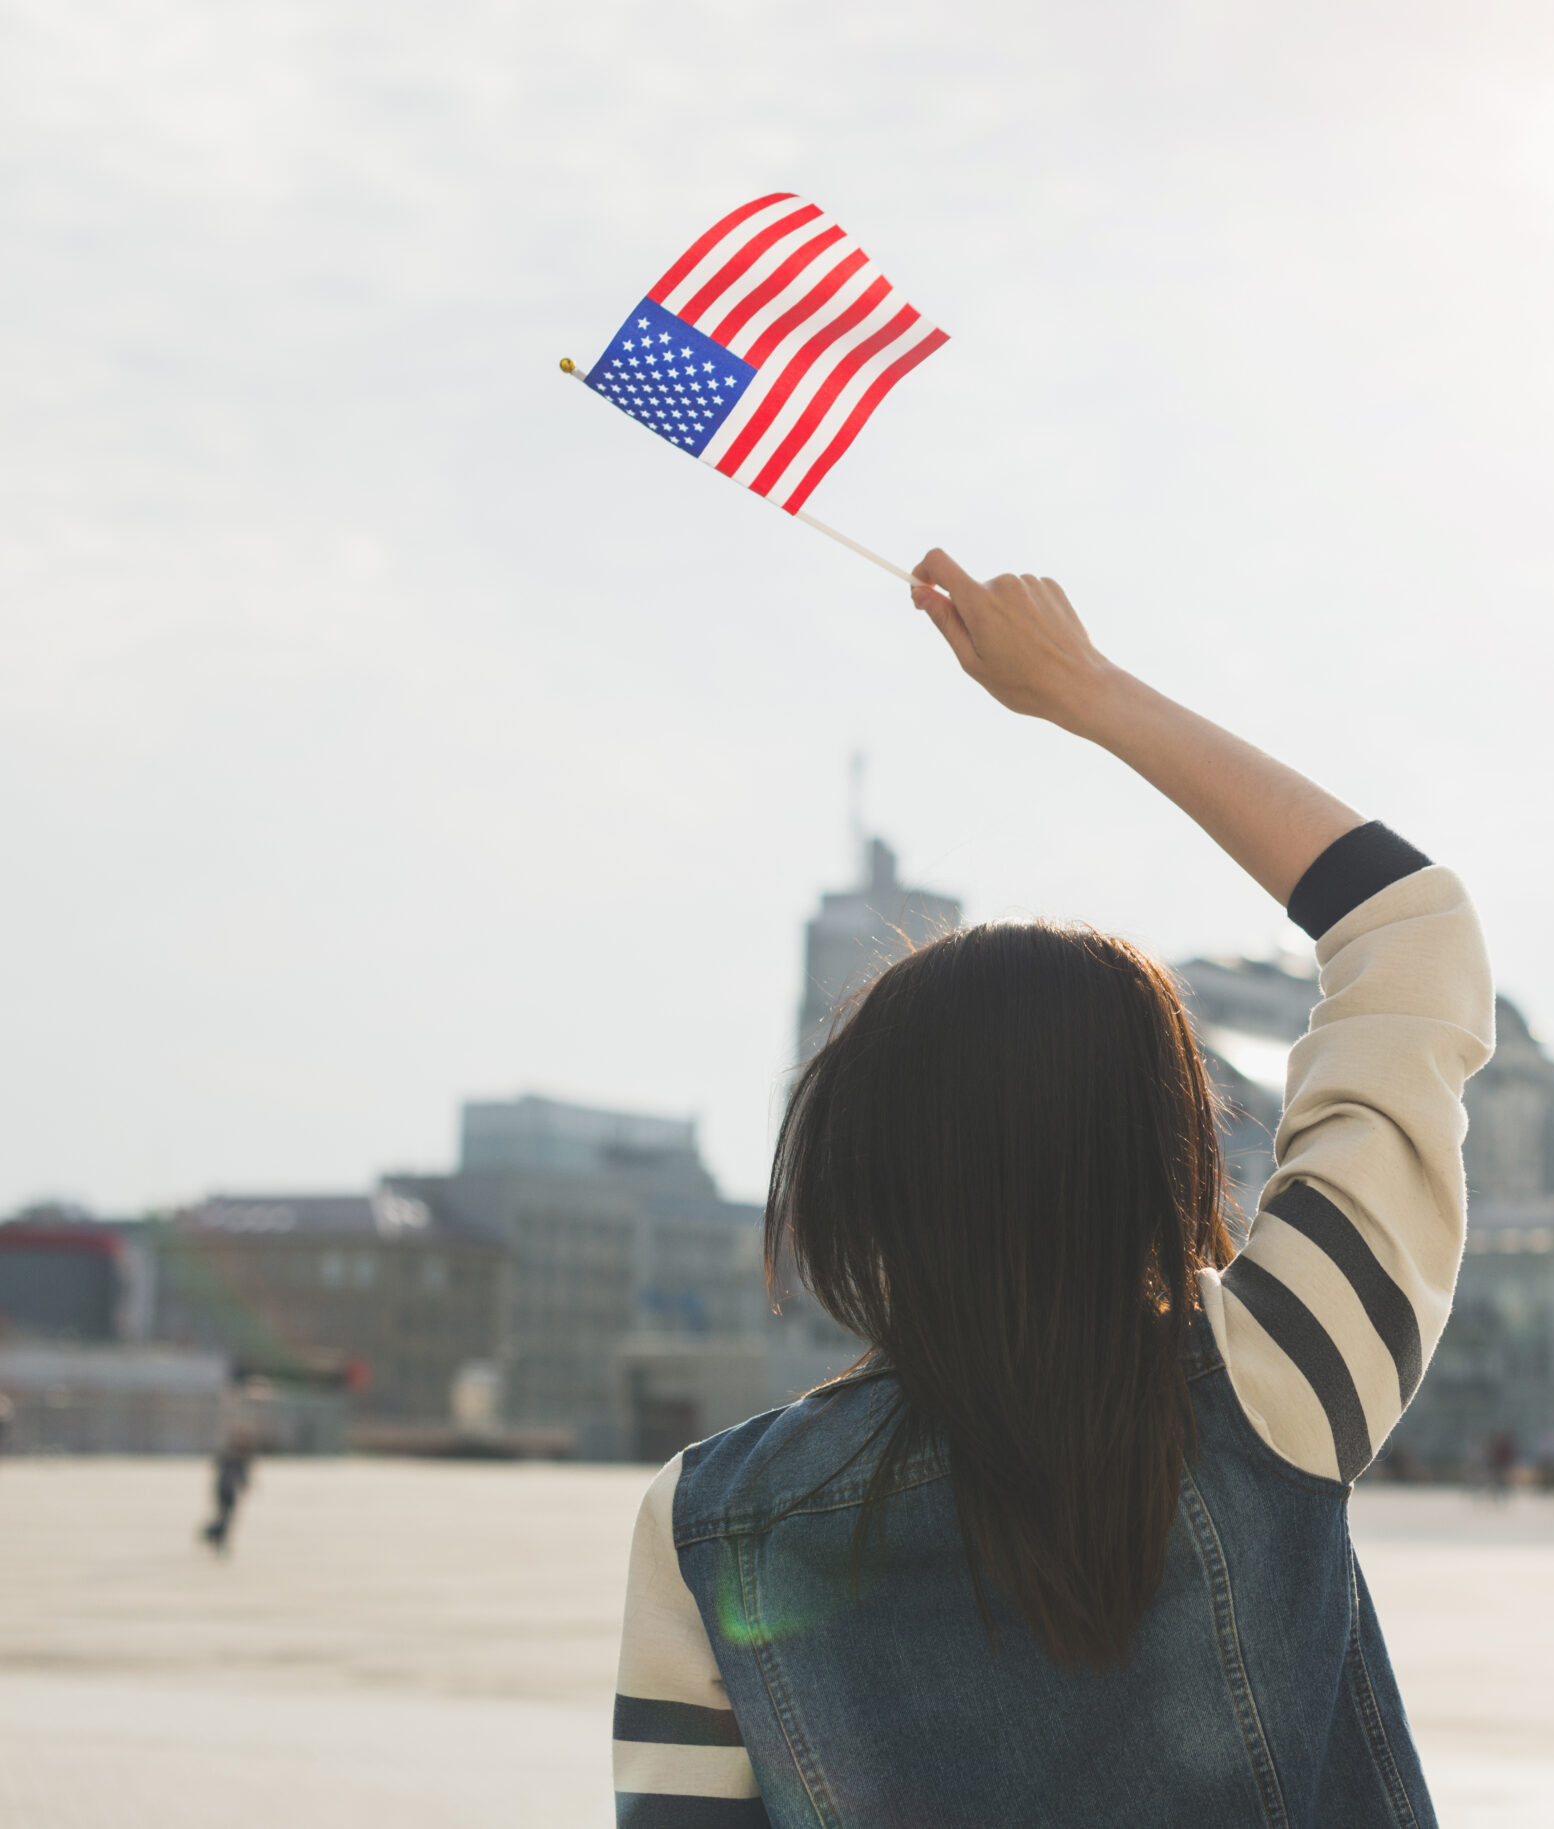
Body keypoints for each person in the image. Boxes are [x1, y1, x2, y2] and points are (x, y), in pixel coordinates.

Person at [610, 554, 1495, 1828]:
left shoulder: (710, 1515)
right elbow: (1410, 925)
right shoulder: (1278, 1377)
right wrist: (1086, 689)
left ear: (856, 1169)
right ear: (1161, 1146)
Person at [201, 1433, 253, 1555]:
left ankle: (214, 1536)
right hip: (224, 1491)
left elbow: (242, 1476)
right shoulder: (232, 1458)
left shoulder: (238, 1459)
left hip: (227, 1491)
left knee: (226, 1518)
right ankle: (214, 1536)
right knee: (224, 1518)